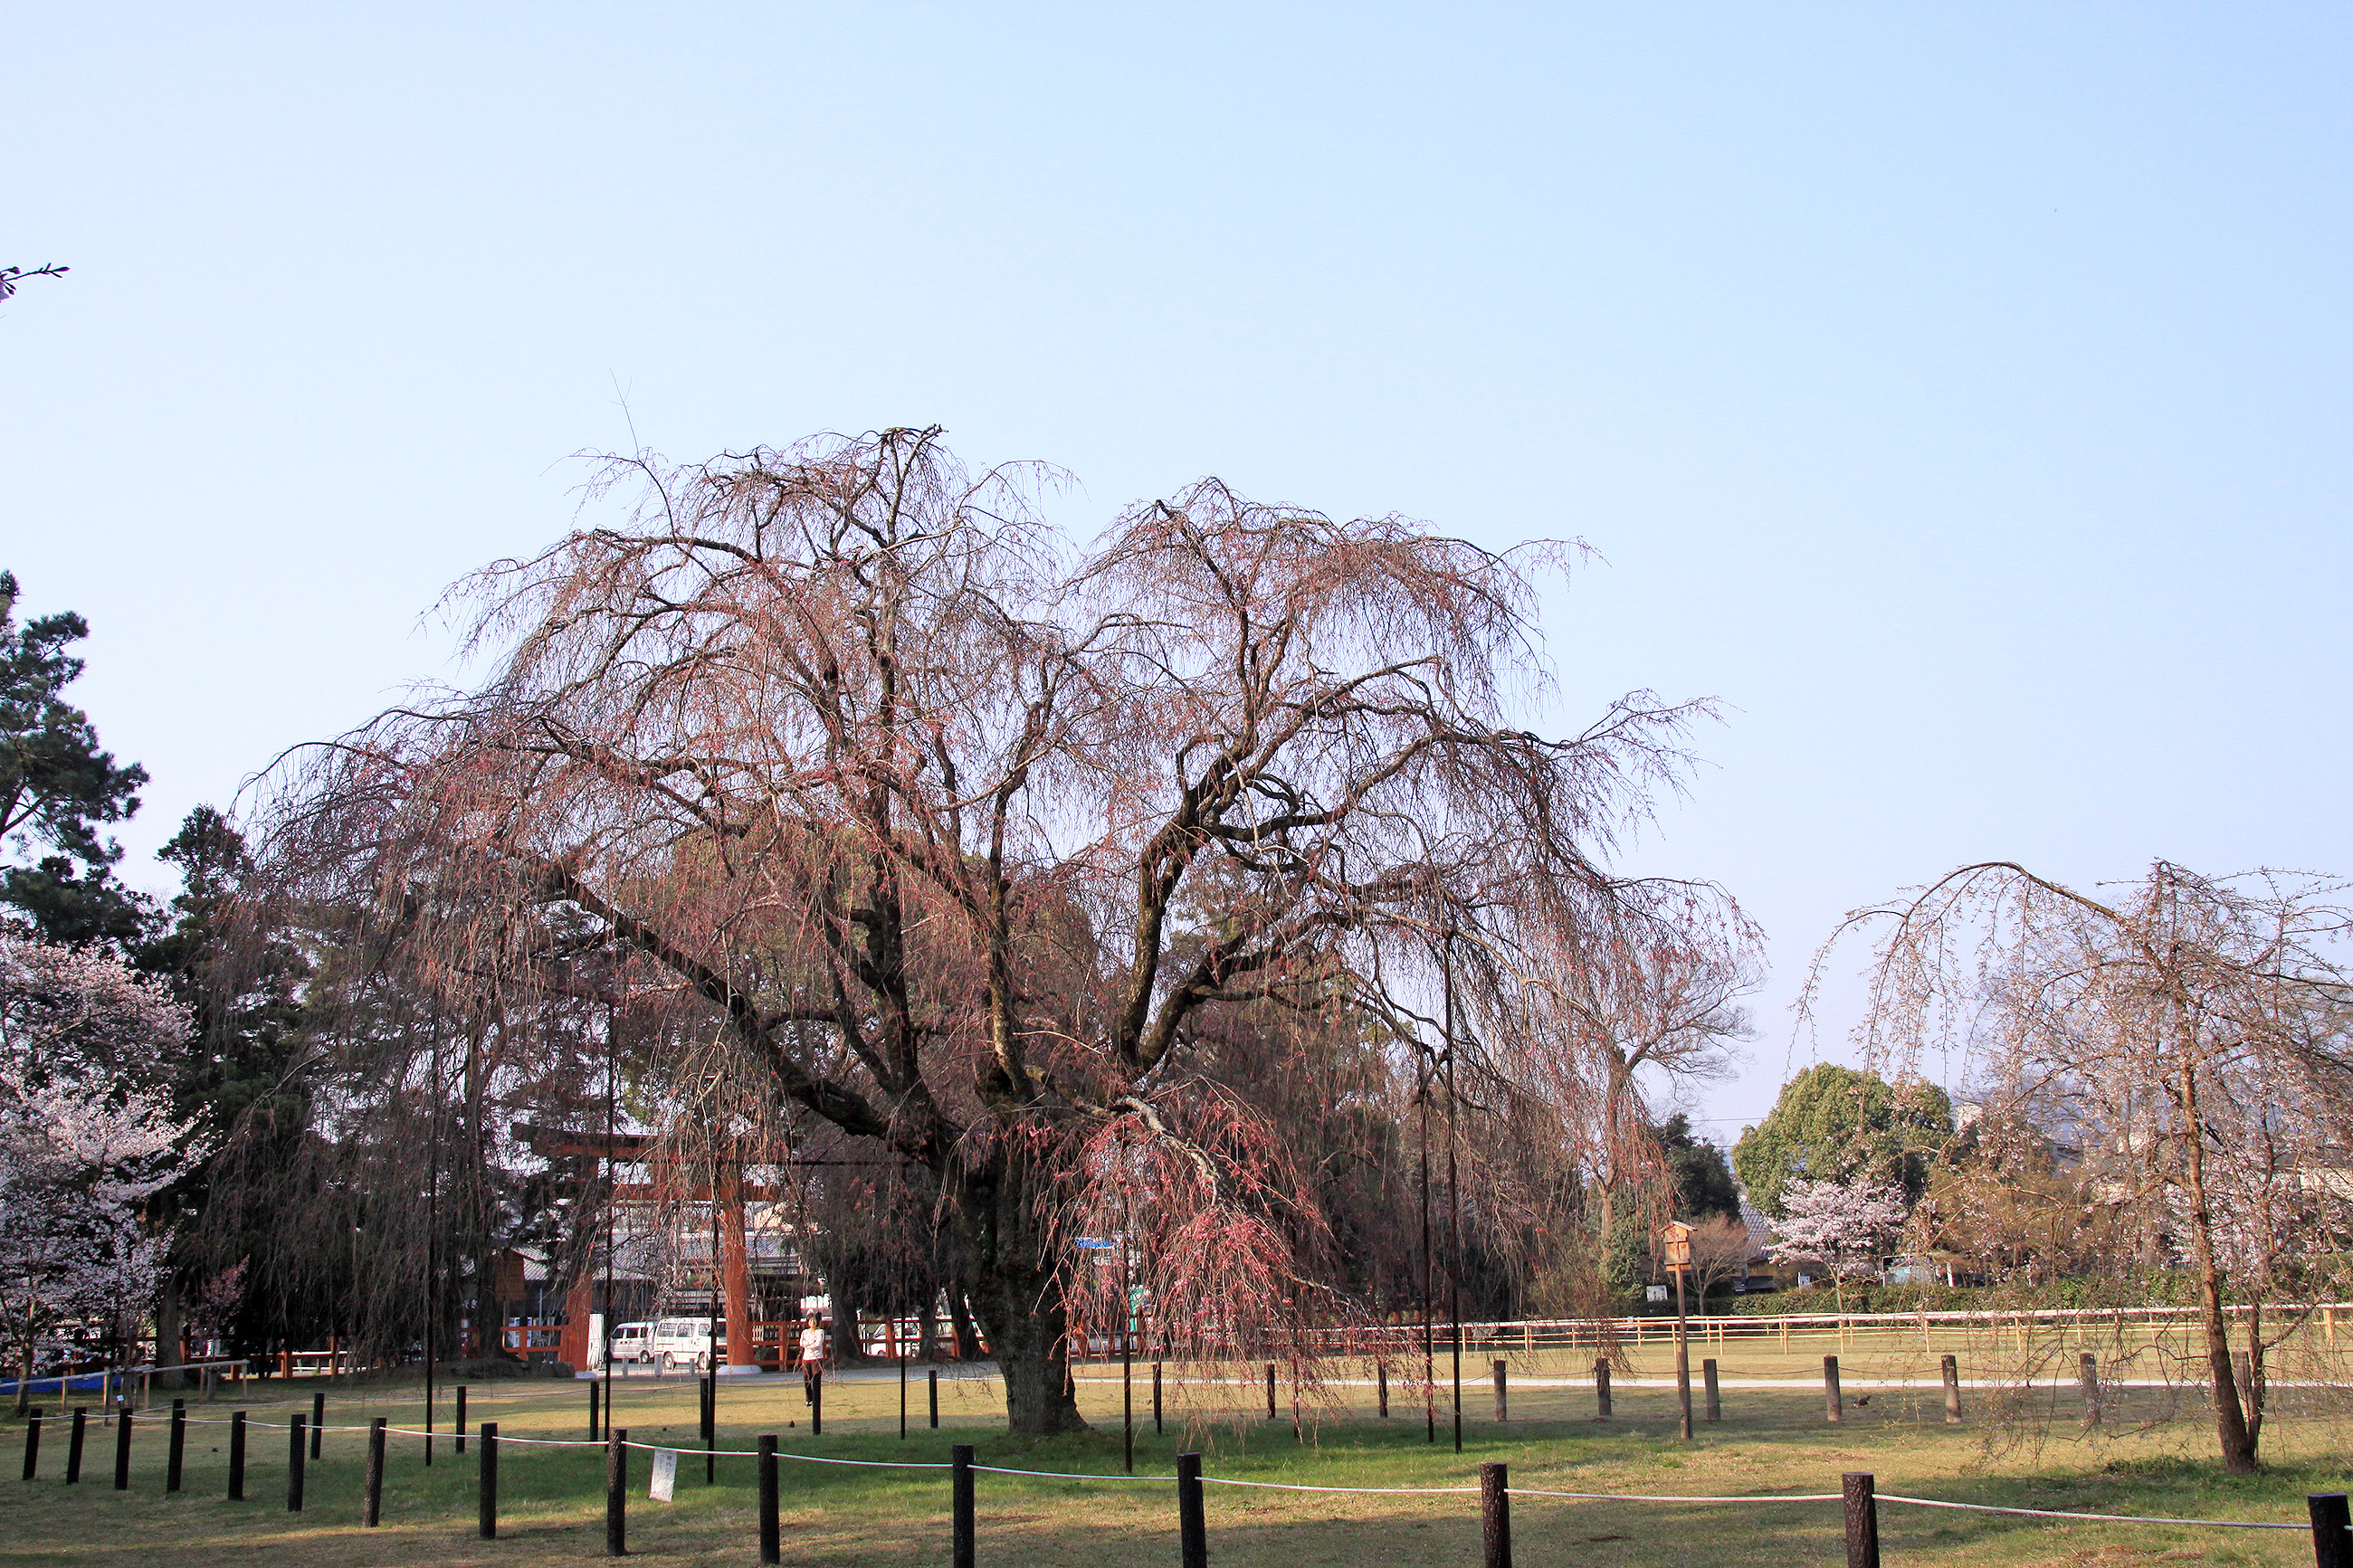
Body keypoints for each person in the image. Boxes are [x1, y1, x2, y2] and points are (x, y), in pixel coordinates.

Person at [797, 1314, 827, 1407]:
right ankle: (809, 1399)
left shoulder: (820, 1332)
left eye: (814, 1320)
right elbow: (802, 1343)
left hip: (816, 1358)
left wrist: (808, 1345)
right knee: (806, 1379)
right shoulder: (805, 1332)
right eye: (811, 1321)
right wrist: (810, 1344)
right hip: (806, 1358)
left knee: (816, 1379)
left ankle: (816, 1400)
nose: (812, 1322)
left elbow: (818, 1344)